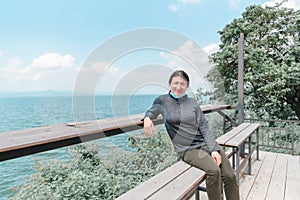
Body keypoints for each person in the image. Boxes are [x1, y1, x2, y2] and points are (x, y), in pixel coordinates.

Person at [143, 70, 240, 200]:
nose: (178, 87)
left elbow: (204, 128)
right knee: (214, 171)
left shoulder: (192, 103)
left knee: (230, 175)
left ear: (187, 86)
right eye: (175, 83)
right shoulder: (162, 101)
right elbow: (152, 112)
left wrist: (214, 149)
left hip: (205, 144)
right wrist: (147, 118)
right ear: (169, 84)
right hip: (187, 149)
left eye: (182, 84)